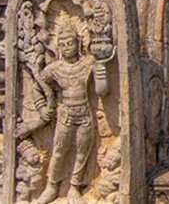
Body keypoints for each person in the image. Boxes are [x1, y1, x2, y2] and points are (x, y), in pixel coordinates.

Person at [36, 18, 109, 204]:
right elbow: (38, 86)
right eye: (63, 44)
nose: (67, 47)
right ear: (58, 47)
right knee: (59, 151)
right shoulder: (54, 69)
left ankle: (75, 187)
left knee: (82, 152)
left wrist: (101, 73)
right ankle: (52, 186)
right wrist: (44, 106)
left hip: (84, 114)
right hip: (66, 115)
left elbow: (102, 91)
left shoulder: (88, 63)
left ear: (78, 44)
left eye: (70, 43)